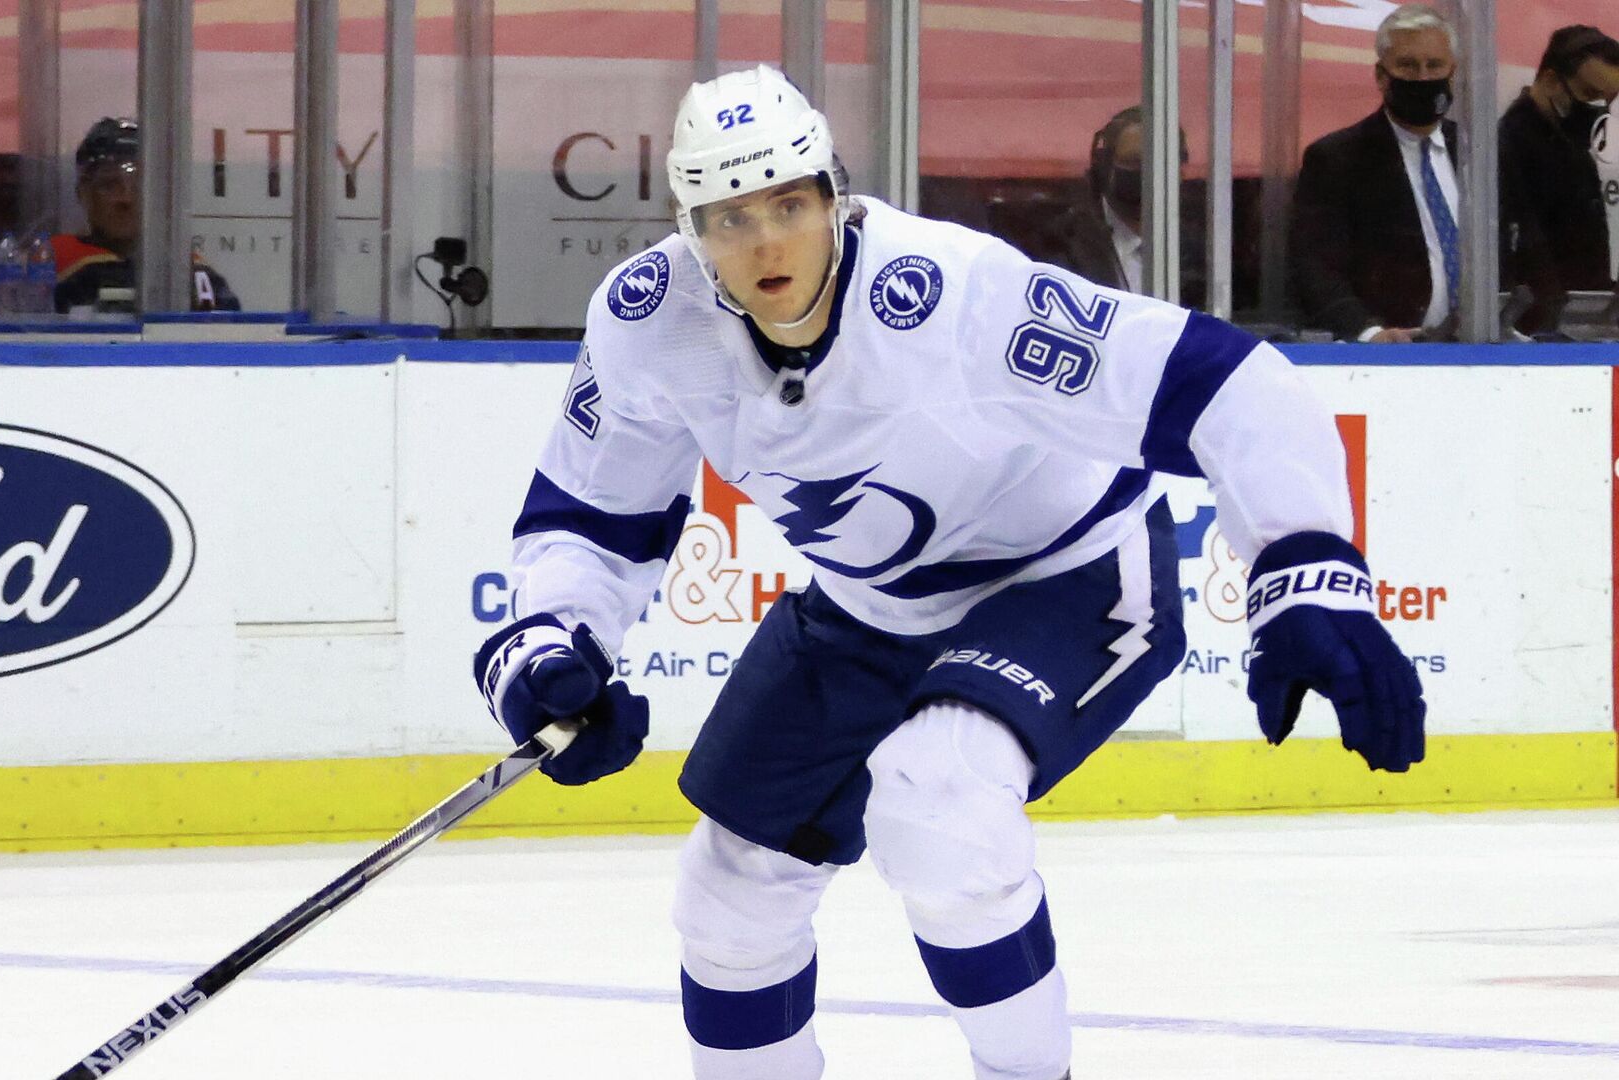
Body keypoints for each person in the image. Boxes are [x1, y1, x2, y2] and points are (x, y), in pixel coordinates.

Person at [473, 66, 1426, 1079]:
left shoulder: (951, 298)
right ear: (688, 226)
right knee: (729, 891)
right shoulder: (650, 322)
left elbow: (1228, 385)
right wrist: (554, 644)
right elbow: (590, 513)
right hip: (863, 608)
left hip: (1067, 575)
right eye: (730, 217)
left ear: (834, 196)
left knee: (940, 803)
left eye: (790, 205)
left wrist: (1309, 564)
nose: (765, 243)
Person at [1291, 4, 1461, 343]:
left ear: (1451, 72)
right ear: (1381, 76)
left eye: (1434, 65)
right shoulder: (1338, 159)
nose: (1424, 77)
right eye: (1408, 66)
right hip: (1388, 355)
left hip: (1481, 351)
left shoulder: (1480, 153)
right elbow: (1316, 267)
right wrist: (1368, 333)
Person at [51, 117, 241, 314]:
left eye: (139, 186)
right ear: (82, 193)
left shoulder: (189, 272)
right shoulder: (48, 267)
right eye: (109, 185)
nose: (125, 199)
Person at [1501, 25, 1619, 336]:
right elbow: (1527, 251)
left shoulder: (1592, 140)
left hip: (1596, 319)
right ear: (1552, 81)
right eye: (1591, 95)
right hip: (1544, 328)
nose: (1600, 109)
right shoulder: (1508, 146)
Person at [1032, 106, 1205, 309]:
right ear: (1105, 169)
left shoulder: (1197, 251)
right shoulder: (1061, 244)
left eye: (1162, 161)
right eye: (1133, 162)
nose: (1149, 173)